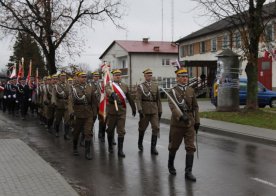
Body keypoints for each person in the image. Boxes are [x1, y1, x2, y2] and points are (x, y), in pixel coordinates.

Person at [167, 68, 200, 182]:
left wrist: (197, 120)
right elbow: (172, 106)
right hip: (177, 123)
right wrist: (181, 116)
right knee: (174, 146)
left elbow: (195, 106)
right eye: (182, 76)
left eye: (186, 76)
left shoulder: (191, 90)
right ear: (177, 78)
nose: (185, 78)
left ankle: (188, 172)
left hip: (190, 122)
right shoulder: (173, 91)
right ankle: (170, 165)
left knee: (190, 147)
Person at [105, 69, 136, 158]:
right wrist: (112, 94)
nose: (118, 76)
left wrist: (134, 108)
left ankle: (120, 150)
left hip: (121, 110)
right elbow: (107, 90)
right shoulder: (109, 84)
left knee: (121, 131)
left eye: (119, 75)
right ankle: (110, 146)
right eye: (116, 75)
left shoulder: (125, 86)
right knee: (110, 130)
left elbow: (129, 98)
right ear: (113, 76)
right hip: (112, 111)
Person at [68, 72, 98, 160]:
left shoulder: (90, 87)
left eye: (85, 77)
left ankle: (87, 152)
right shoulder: (73, 88)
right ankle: (74, 148)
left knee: (88, 132)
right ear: (77, 78)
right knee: (76, 132)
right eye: (82, 77)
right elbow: (70, 101)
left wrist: (95, 113)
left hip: (88, 113)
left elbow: (94, 102)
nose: (84, 78)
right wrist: (71, 111)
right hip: (78, 113)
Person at [136, 68, 162, 155]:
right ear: (145, 76)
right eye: (148, 75)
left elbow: (158, 99)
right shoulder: (141, 86)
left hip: (154, 110)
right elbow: (138, 99)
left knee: (156, 127)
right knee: (142, 128)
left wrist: (160, 110)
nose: (149, 77)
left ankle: (153, 148)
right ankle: (140, 142)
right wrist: (139, 109)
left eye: (151, 75)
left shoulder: (155, 86)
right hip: (145, 110)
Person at [52, 72, 70, 139]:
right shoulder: (56, 86)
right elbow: (53, 95)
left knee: (67, 120)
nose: (63, 77)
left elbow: (70, 95)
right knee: (58, 120)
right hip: (59, 105)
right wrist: (54, 102)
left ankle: (66, 134)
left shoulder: (68, 85)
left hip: (66, 105)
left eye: (64, 76)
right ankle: (56, 131)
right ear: (59, 78)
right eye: (62, 76)